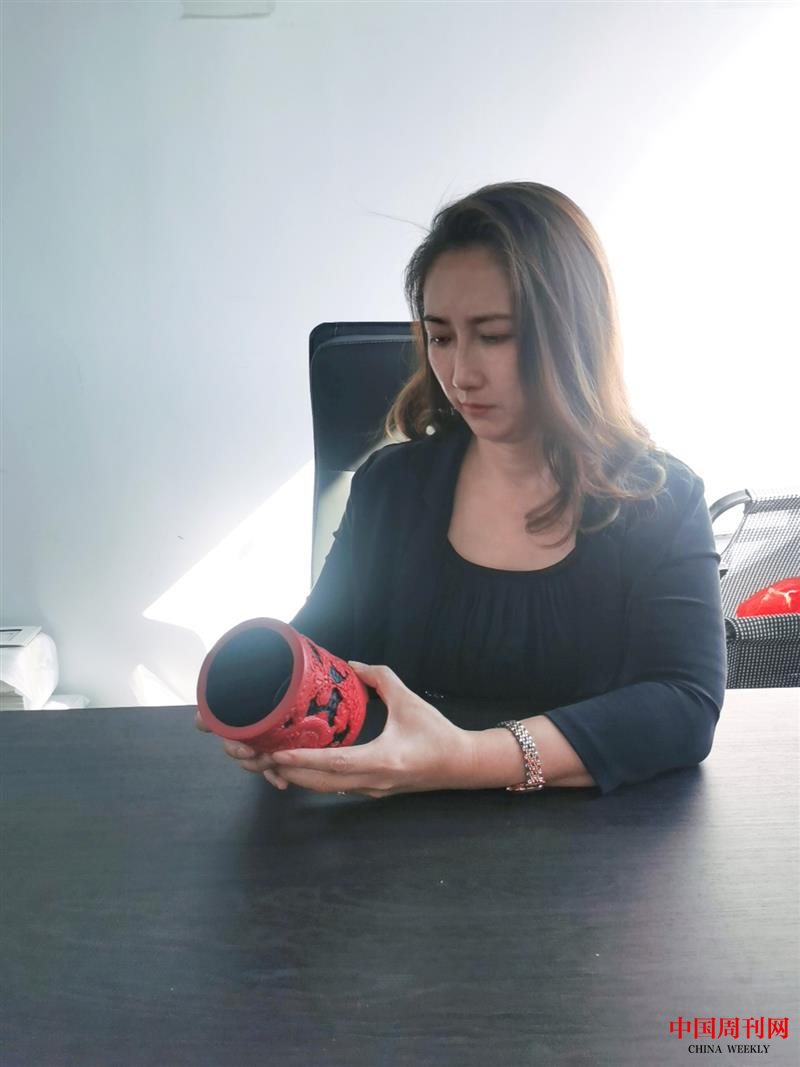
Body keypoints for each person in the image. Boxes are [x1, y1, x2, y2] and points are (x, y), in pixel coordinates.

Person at [196, 181, 727, 797]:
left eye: (494, 335)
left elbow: (684, 706)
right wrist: (271, 706)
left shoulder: (660, 500)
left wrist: (467, 759)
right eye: (441, 337)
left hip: (597, 842)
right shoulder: (392, 485)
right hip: (401, 831)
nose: (460, 374)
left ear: (572, 333)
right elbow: (323, 644)